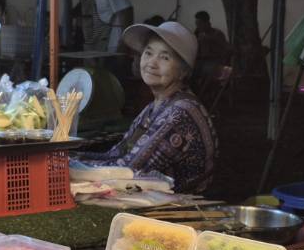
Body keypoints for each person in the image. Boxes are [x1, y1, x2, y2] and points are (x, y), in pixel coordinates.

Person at [72, 20, 217, 194]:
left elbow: (128, 170)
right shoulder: (154, 107)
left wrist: (71, 168)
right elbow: (116, 154)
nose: (152, 63)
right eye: (148, 53)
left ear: (183, 71)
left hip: (182, 209)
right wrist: (71, 160)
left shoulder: (181, 113)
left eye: (164, 57)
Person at [193, 11, 230, 86]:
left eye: (199, 24)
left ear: (206, 23)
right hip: (200, 62)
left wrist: (209, 39)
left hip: (214, 62)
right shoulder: (198, 34)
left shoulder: (217, 34)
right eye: (197, 24)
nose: (198, 26)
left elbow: (225, 50)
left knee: (207, 71)